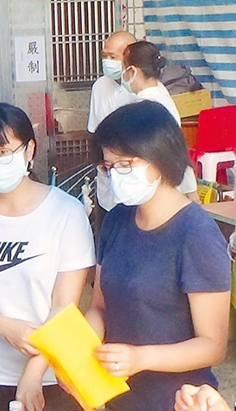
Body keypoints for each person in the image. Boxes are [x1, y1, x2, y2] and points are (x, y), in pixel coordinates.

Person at [0, 103, 96, 411]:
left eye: (3, 152)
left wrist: (33, 373)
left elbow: (63, 307)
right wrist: (4, 326)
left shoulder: (66, 212)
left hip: (55, 375)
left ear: (29, 150)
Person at [84, 100, 232, 411]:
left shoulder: (197, 234)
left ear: (160, 156)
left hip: (180, 400)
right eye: (109, 167)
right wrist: (80, 355)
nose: (116, 175)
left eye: (126, 164)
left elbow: (212, 345)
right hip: (117, 396)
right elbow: (99, 306)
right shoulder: (116, 219)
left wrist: (140, 358)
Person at [96, 41, 199, 211]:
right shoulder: (159, 93)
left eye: (123, 68)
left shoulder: (147, 109)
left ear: (132, 71)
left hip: (155, 192)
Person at [87, 31, 137, 134]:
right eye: (104, 56)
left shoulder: (140, 87)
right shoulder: (99, 85)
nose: (107, 61)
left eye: (113, 57)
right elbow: (94, 130)